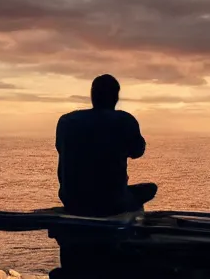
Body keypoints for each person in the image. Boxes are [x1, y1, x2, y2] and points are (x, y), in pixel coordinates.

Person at [55, 74, 157, 217]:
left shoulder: (66, 121)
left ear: (92, 95)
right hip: (111, 203)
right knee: (150, 189)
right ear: (116, 97)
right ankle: (130, 228)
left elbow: (61, 148)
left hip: (72, 202)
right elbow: (137, 151)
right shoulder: (124, 120)